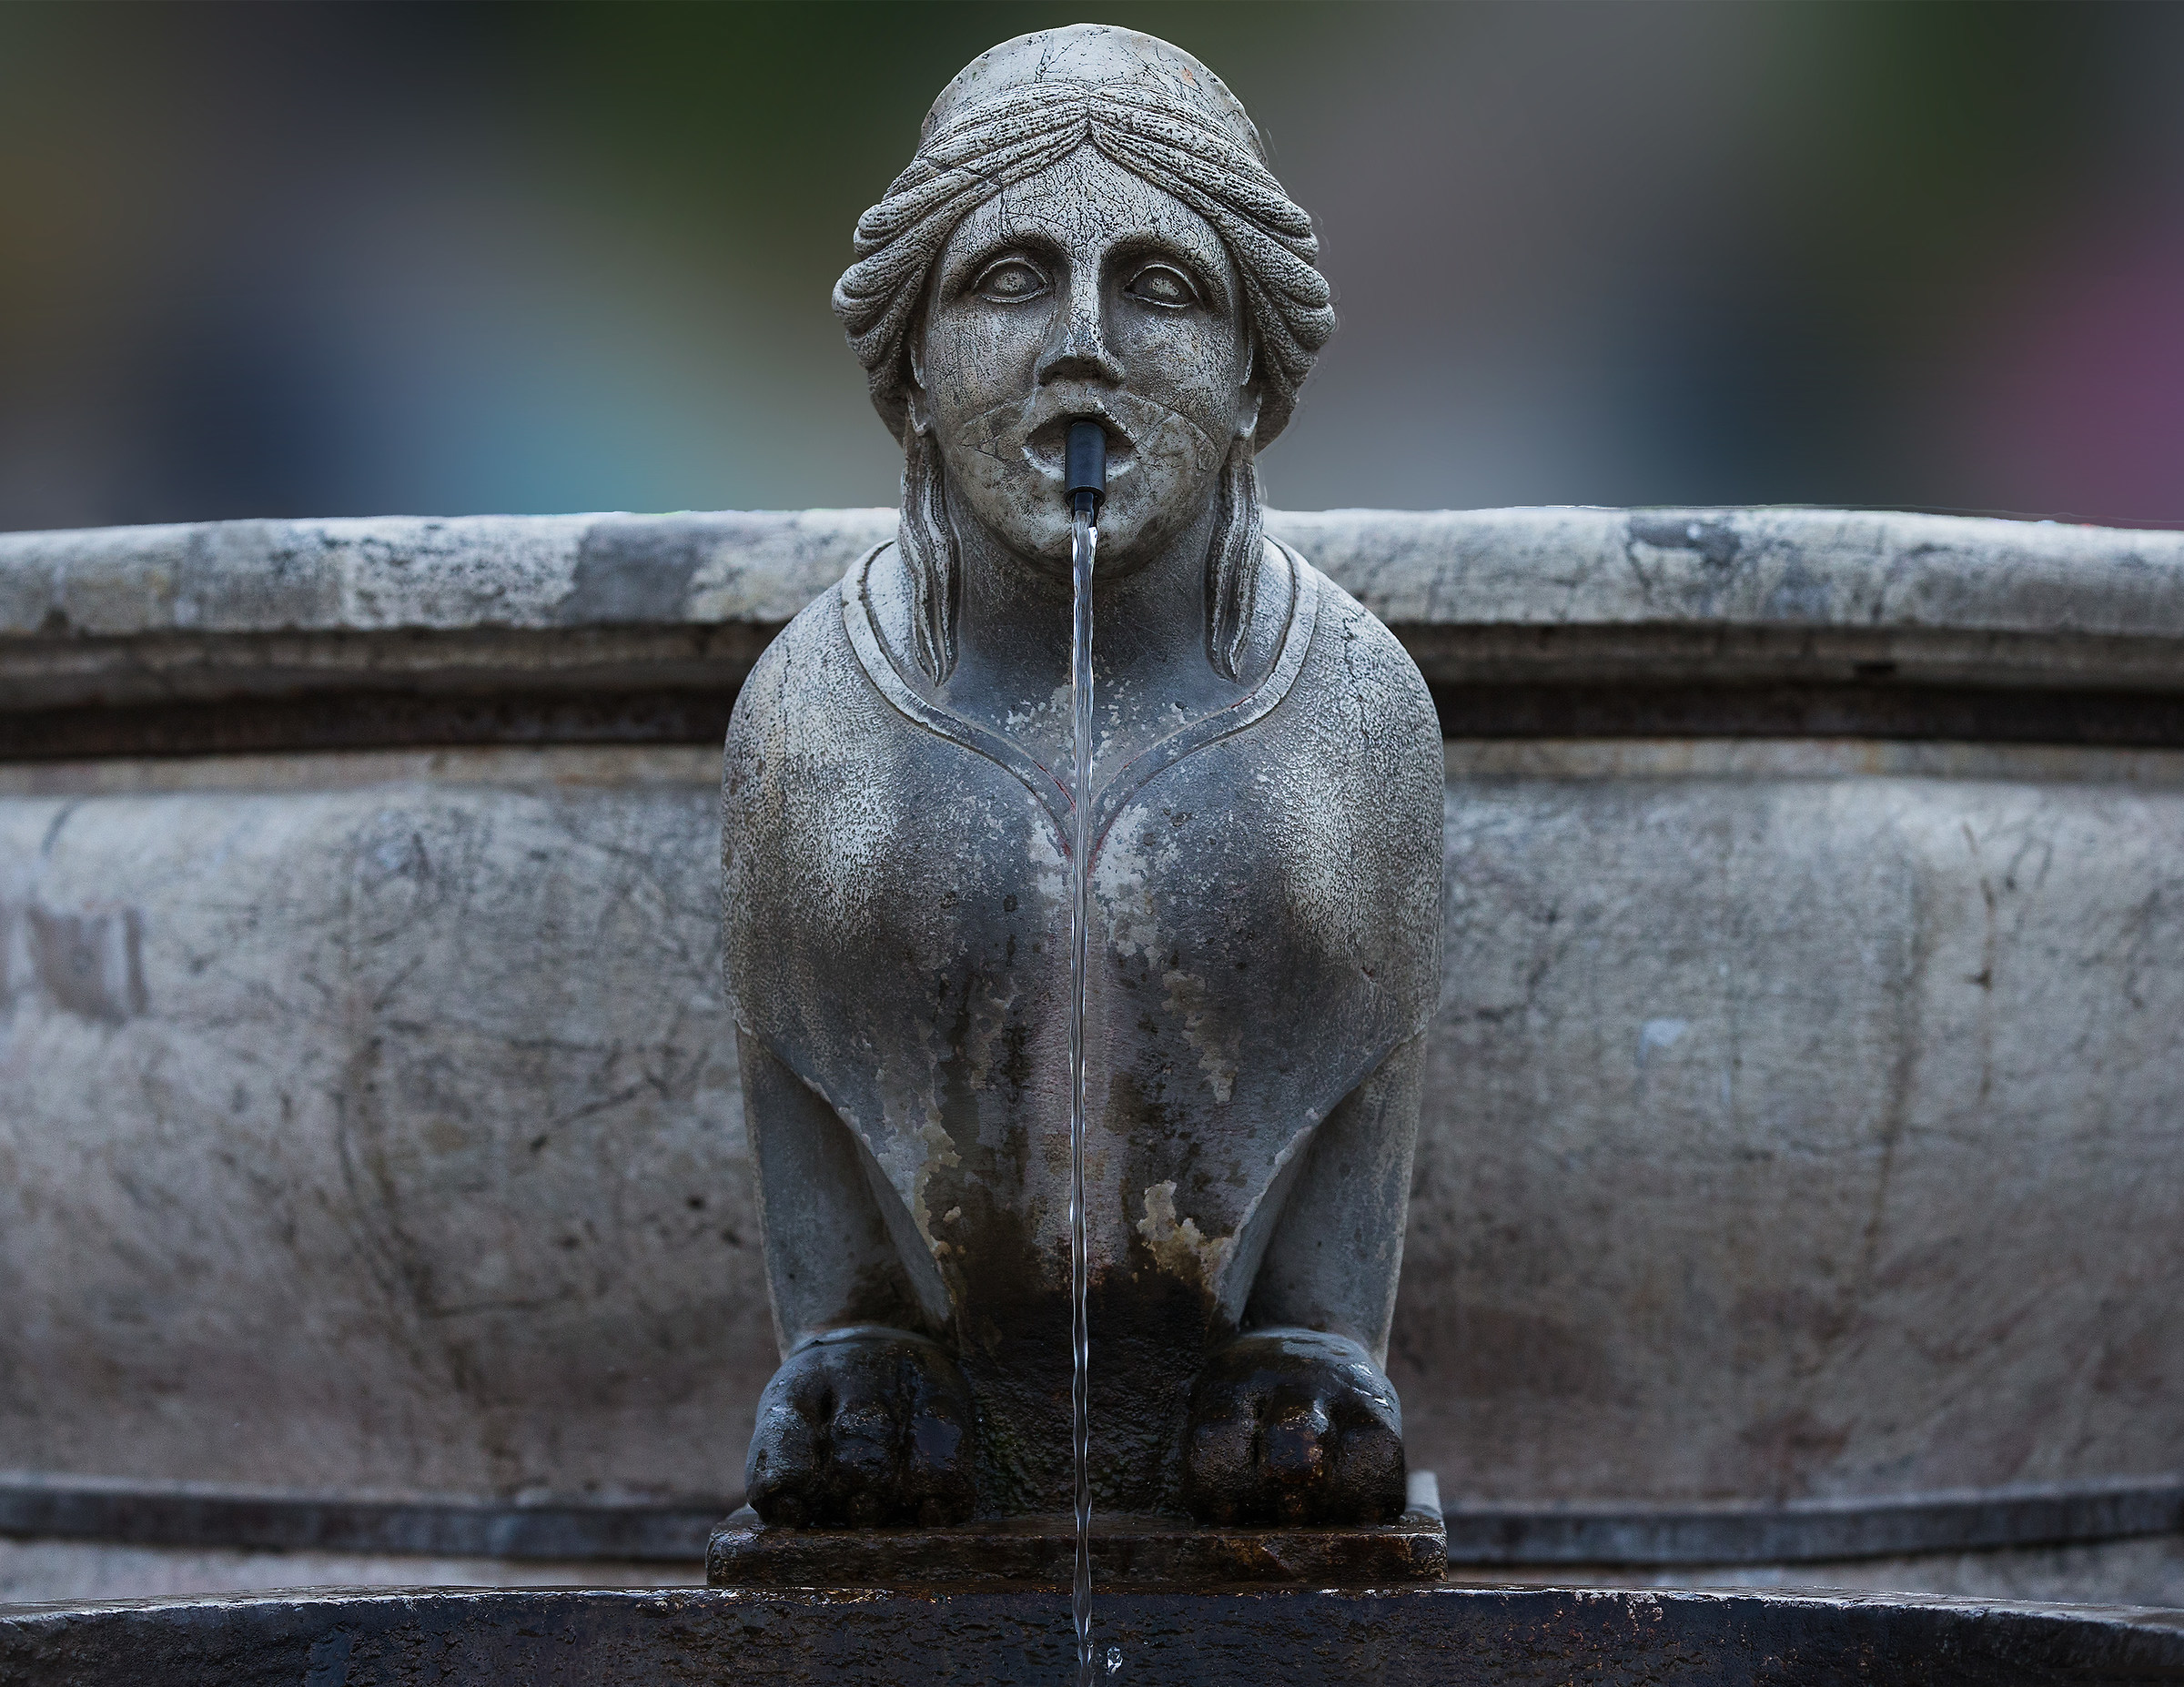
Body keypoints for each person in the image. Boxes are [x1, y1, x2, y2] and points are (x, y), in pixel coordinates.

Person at [723, 24, 1442, 1528]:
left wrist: (1317, 1343)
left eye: (1162, 288)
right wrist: (845, 1338)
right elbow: (792, 1051)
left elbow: (1368, 1058)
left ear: (1257, 374)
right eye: (1012, 278)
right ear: (912, 363)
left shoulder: (1357, 707)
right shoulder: (807, 708)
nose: (1085, 343)